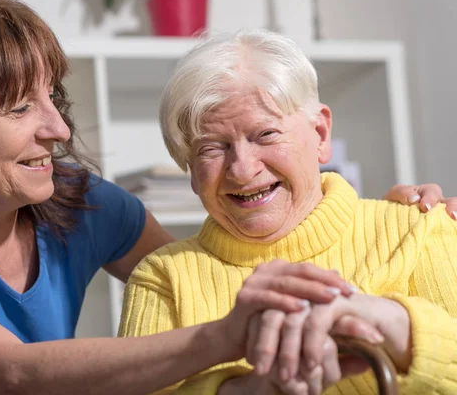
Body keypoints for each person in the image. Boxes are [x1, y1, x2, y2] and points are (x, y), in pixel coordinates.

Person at [0, 0, 450, 394]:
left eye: (51, 99)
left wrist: (388, 221)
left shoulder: (80, 202)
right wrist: (227, 342)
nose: (59, 130)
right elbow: (8, 371)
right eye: (18, 107)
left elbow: (222, 262)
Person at [119, 29, 457, 395]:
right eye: (211, 149)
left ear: (321, 134)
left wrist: (398, 325)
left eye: (265, 134)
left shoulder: (420, 229)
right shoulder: (163, 277)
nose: (242, 170)